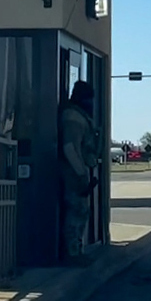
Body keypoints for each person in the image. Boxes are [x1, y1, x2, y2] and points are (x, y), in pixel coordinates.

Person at [59, 80, 99, 262]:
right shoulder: (73, 118)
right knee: (77, 211)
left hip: (76, 171)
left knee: (80, 211)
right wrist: (80, 172)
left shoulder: (76, 115)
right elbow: (69, 147)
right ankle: (73, 253)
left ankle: (76, 251)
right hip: (72, 174)